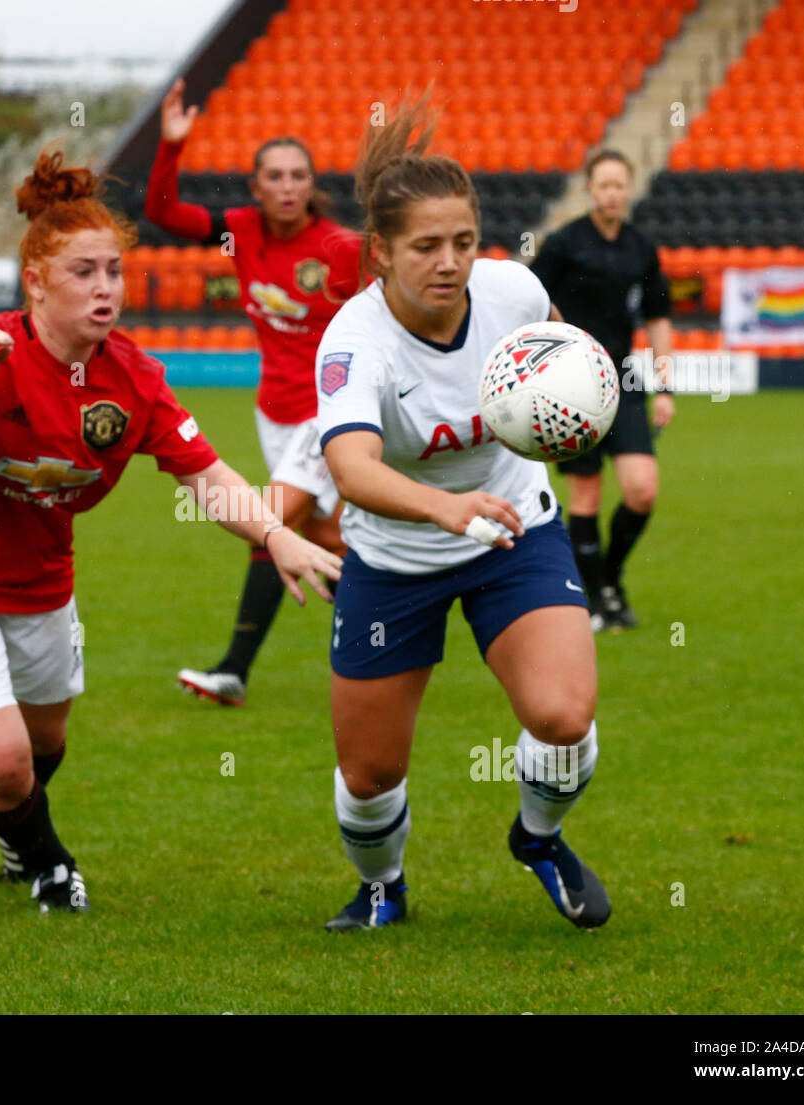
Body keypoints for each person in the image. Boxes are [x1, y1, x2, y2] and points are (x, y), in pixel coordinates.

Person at [0, 147, 341, 913]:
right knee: (7, 758)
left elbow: (208, 477)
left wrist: (276, 535)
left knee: (44, 747)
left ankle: (14, 829)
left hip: (41, 583)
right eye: (83, 272)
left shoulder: (136, 379)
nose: (105, 287)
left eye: (113, 270)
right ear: (36, 282)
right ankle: (50, 863)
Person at [314, 97, 610, 932]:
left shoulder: (513, 291)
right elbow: (351, 467)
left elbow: (561, 350)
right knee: (369, 773)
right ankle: (384, 887)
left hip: (513, 528)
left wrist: (571, 402)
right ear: (380, 253)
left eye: (465, 242)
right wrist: (443, 508)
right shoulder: (354, 343)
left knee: (563, 714)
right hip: (395, 556)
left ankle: (539, 837)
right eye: (425, 246)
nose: (450, 263)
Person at [144, 77, 363, 706]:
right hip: (275, 415)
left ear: (312, 183)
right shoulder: (240, 229)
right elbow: (161, 213)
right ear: (256, 185)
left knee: (266, 522)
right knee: (328, 541)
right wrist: (171, 148)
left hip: (328, 414)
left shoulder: (341, 249)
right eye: (275, 176)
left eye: (299, 175)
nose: (288, 186)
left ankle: (234, 670)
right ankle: (397, 631)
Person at [529, 149, 674, 631]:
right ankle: (594, 601)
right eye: (604, 184)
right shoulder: (564, 244)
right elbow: (530, 300)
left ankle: (609, 579)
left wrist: (666, 386)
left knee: (642, 490)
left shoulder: (641, 247)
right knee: (586, 497)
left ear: (628, 189)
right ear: (590, 189)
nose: (612, 193)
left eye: (620, 185)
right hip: (572, 382)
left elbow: (657, 317)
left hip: (626, 378)